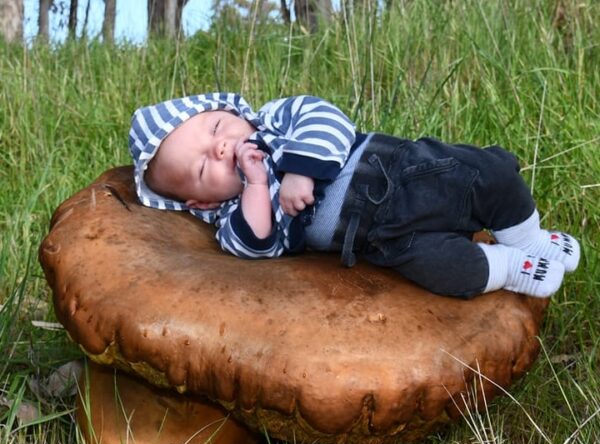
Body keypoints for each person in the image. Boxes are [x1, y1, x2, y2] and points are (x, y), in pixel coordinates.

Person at [129, 92, 580, 299]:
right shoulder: (235, 214)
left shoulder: (277, 120)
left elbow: (328, 119)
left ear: (229, 109)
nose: (222, 147)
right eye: (204, 167)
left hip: (401, 172)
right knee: (449, 273)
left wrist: (299, 172)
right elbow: (255, 246)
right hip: (378, 240)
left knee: (489, 173)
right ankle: (510, 267)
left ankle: (530, 238)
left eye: (215, 128)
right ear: (201, 203)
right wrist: (256, 184)